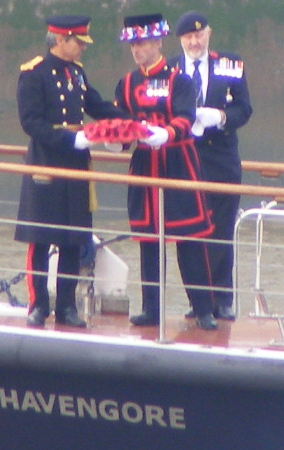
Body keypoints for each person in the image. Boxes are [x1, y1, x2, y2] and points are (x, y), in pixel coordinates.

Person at [15, 15, 130, 328]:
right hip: (47, 164)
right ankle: (38, 304)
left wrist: (131, 122)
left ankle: (66, 306)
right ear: (61, 39)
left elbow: (96, 105)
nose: (82, 48)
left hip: (76, 164)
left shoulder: (77, 73)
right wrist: (70, 138)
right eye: (78, 42)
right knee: (39, 239)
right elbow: (31, 122)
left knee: (72, 239)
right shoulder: (34, 73)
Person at [114, 14, 217, 330]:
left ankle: (203, 309)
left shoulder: (179, 81)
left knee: (190, 240)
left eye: (142, 43)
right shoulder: (128, 83)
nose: (137, 50)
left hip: (178, 165)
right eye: (133, 44)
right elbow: (119, 119)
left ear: (158, 42)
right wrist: (115, 141)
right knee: (149, 241)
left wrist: (167, 133)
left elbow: (186, 119)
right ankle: (152, 309)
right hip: (145, 168)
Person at [168, 11, 252, 321]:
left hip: (222, 159)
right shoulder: (170, 69)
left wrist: (221, 117)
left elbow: (245, 108)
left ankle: (222, 299)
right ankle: (197, 300)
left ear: (209, 35)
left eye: (199, 35)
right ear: (180, 40)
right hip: (184, 160)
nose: (194, 40)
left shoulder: (229, 64)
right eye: (188, 36)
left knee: (221, 231)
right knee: (189, 233)